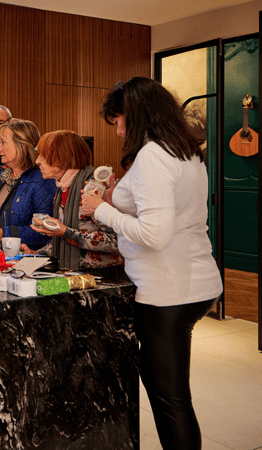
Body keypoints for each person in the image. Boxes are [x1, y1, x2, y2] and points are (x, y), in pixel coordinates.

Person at [81, 77, 223, 450]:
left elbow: (155, 234)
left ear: (137, 115)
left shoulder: (152, 156)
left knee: (170, 399)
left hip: (168, 288)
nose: (118, 131)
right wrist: (118, 196)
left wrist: (103, 210)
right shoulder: (184, 151)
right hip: (195, 279)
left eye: (119, 121)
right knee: (164, 386)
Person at [26, 130, 124, 273]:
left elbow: (118, 241)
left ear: (63, 158)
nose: (37, 161)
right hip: (75, 275)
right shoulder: (62, 189)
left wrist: (67, 232)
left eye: (44, 155)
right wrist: (38, 254)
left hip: (107, 277)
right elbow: (63, 238)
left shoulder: (94, 190)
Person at [0, 119, 55, 250]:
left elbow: (46, 231)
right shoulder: (3, 176)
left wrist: (5, 233)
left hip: (25, 260)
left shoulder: (42, 180)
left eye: (3, 142)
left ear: (20, 145)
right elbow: (10, 213)